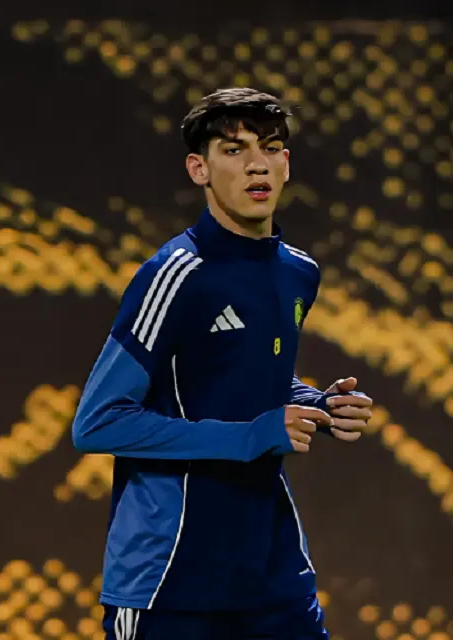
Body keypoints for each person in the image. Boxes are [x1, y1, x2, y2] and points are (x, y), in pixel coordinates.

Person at [71, 88, 375, 640]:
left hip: (274, 577)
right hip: (171, 583)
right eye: (234, 150)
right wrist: (252, 435)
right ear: (199, 169)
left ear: (286, 163)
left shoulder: (298, 272)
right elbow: (98, 421)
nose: (257, 164)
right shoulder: (175, 275)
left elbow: (244, 375)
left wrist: (318, 404)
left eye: (270, 147)